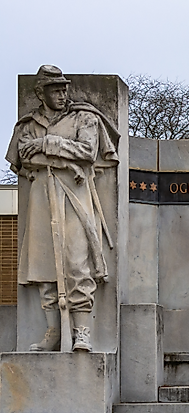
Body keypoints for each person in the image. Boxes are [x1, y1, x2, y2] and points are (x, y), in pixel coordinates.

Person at [5, 65, 119, 352]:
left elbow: (87, 152)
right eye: (55, 89)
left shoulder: (85, 117)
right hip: (42, 200)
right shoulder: (28, 124)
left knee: (77, 262)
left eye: (64, 88)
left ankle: (82, 332)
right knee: (44, 267)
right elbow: (24, 158)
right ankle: (53, 332)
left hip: (74, 199)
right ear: (41, 93)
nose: (62, 94)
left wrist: (48, 144)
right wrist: (63, 161)